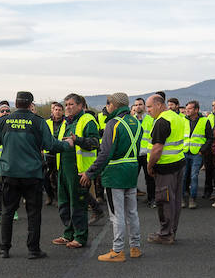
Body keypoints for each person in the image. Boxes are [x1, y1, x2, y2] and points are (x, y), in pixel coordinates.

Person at [0, 90, 61, 258]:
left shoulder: (3, 121)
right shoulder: (38, 122)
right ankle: (33, 249)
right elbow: (51, 145)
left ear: (15, 103)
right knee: (34, 213)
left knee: (7, 212)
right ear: (30, 104)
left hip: (10, 173)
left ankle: (4, 248)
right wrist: (67, 144)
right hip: (32, 174)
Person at [84, 92, 142, 262]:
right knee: (132, 212)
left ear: (115, 105)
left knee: (117, 215)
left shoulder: (113, 124)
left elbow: (105, 153)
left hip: (115, 173)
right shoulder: (137, 123)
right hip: (131, 170)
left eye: (108, 103)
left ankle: (117, 250)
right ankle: (135, 247)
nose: (107, 106)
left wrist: (90, 172)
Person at [52, 93, 98, 250]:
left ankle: (80, 237)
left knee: (78, 205)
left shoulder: (88, 120)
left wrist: (77, 140)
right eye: (66, 104)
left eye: (71, 104)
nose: (68, 107)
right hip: (63, 169)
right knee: (64, 204)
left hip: (79, 171)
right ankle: (68, 234)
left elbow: (94, 143)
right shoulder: (66, 123)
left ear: (80, 105)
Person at [144, 93, 185, 245]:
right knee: (174, 201)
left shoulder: (161, 121)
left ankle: (166, 234)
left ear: (159, 105)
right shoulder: (177, 117)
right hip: (178, 164)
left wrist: (150, 166)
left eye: (149, 106)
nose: (148, 110)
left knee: (165, 201)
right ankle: (171, 231)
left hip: (165, 167)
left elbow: (157, 149)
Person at [181, 100, 211, 208]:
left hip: (197, 153)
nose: (187, 111)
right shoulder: (182, 120)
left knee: (194, 176)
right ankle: (182, 198)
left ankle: (192, 198)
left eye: (189, 109)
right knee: (183, 176)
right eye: (186, 109)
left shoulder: (205, 121)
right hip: (184, 152)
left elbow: (209, 138)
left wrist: (202, 150)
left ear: (196, 110)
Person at [43, 100, 63, 205]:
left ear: (62, 112)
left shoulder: (66, 122)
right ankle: (49, 196)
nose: (58, 112)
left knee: (58, 177)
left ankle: (58, 198)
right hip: (48, 153)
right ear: (53, 111)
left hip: (60, 154)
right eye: (56, 110)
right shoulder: (47, 122)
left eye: (60, 110)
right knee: (46, 177)